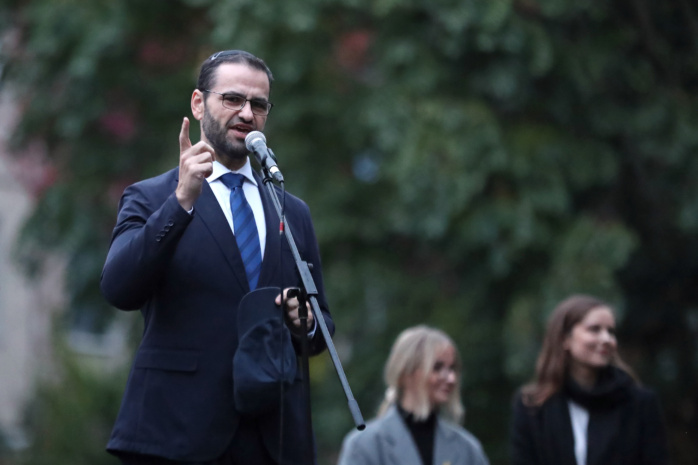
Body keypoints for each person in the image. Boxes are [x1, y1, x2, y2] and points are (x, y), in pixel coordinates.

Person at [100, 49, 333, 465]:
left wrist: (307, 324)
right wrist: (181, 202)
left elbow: (322, 329)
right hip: (177, 432)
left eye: (258, 105)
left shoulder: (291, 211)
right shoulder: (152, 197)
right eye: (232, 99)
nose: (246, 113)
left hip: (273, 437)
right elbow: (118, 287)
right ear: (198, 102)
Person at [510, 294, 669, 465]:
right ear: (565, 339)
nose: (607, 339)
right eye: (594, 329)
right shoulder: (533, 406)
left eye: (610, 331)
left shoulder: (639, 403)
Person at [337, 325, 490, 465]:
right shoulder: (365, 446)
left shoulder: (468, 449)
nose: (451, 378)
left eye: (452, 368)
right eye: (437, 367)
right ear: (406, 372)